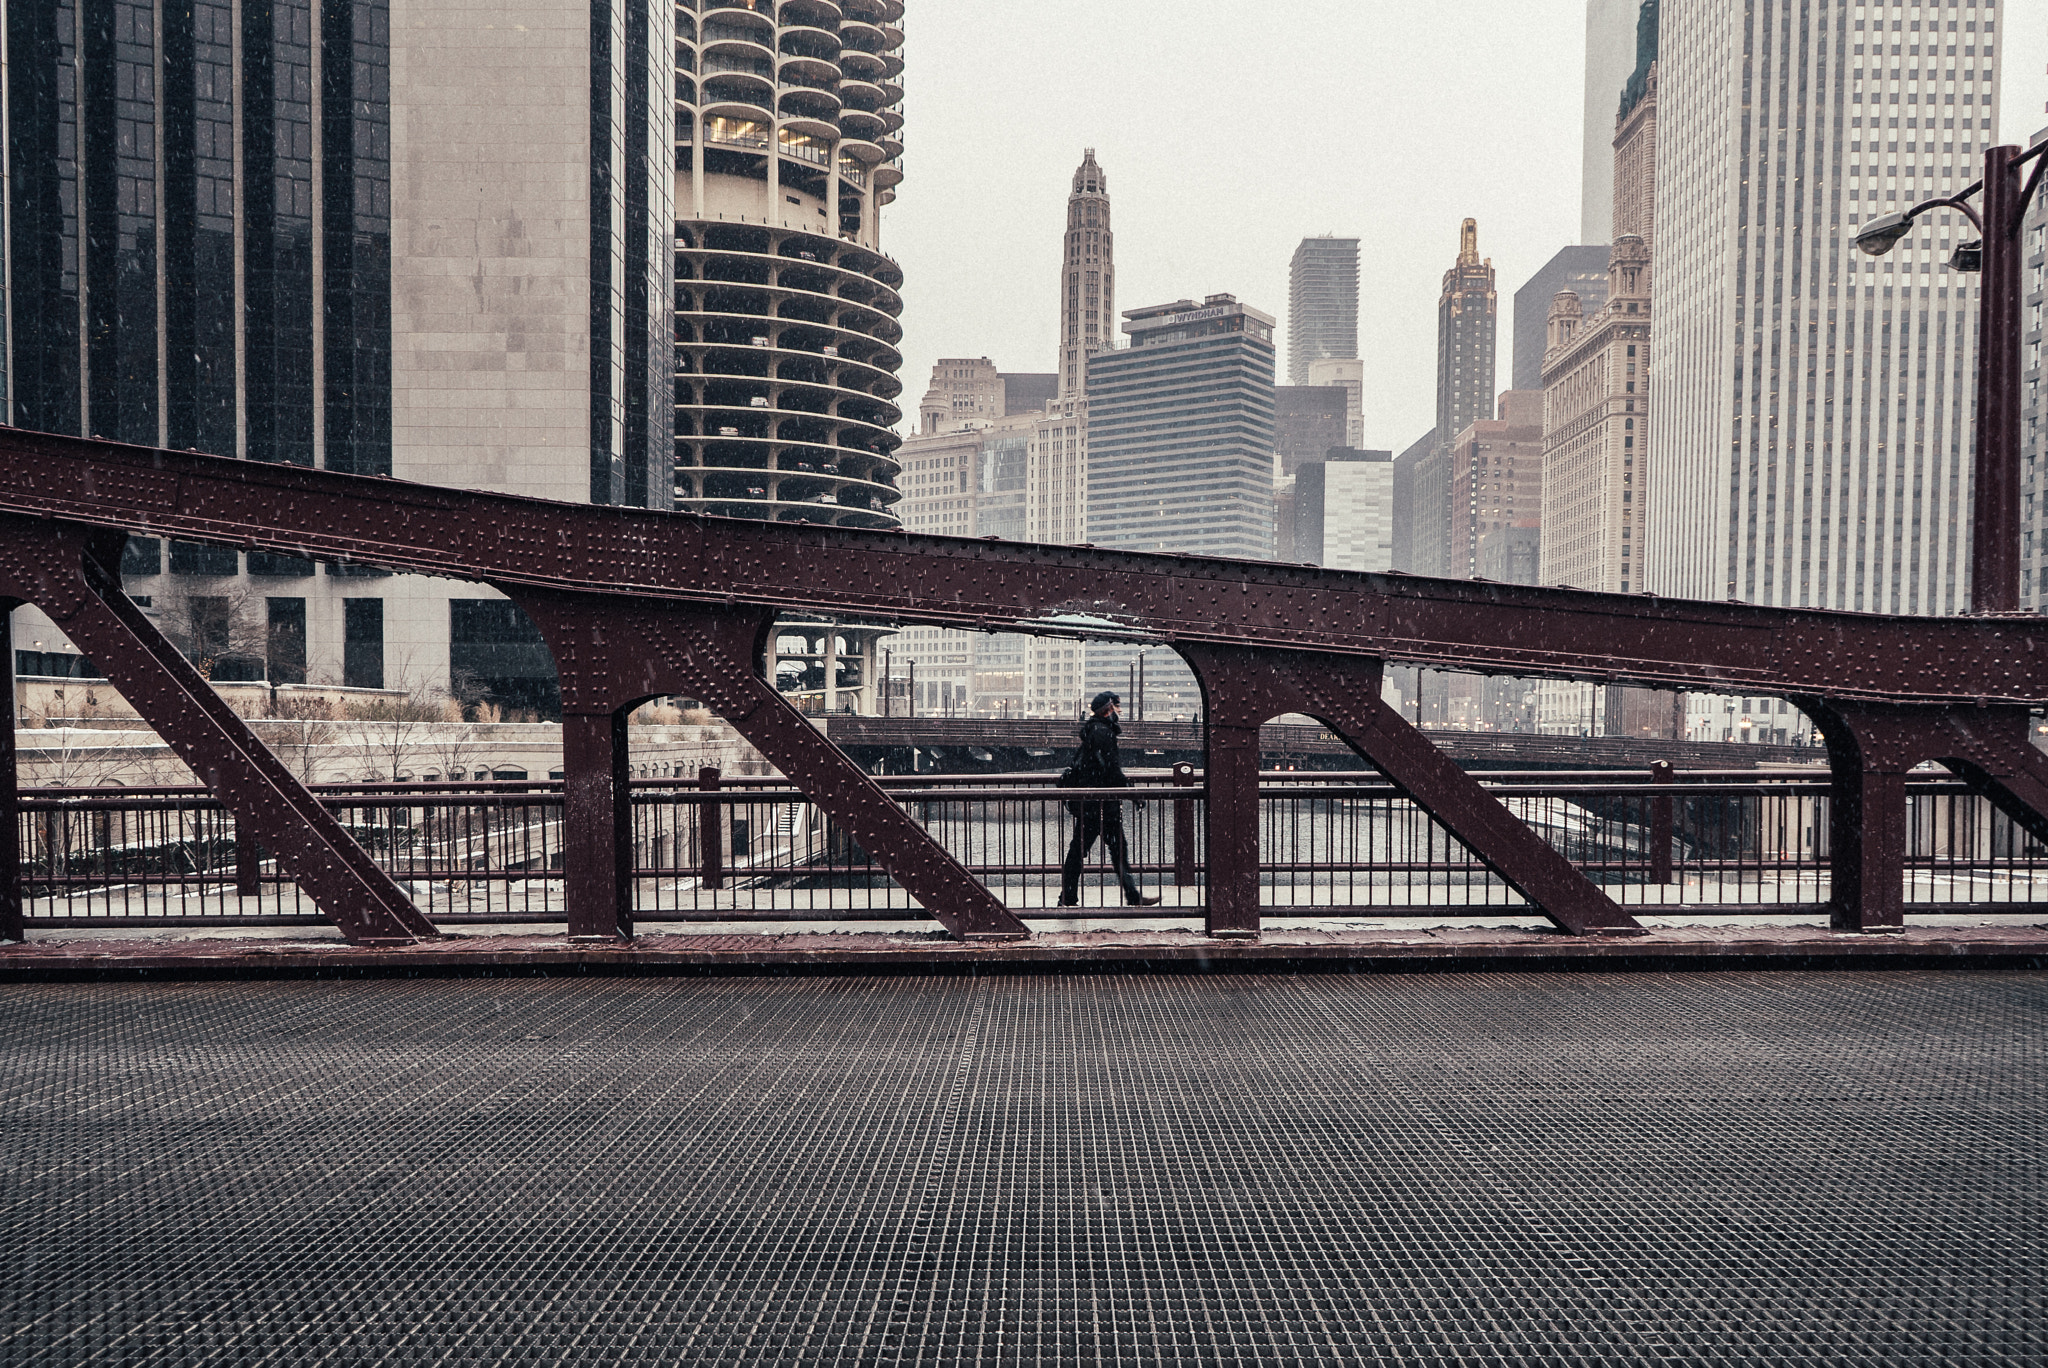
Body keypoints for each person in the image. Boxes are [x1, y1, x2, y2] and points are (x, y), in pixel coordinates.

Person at [1058, 691, 1161, 907]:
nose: (1119, 712)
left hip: (1093, 802)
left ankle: (1069, 897)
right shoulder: (1102, 732)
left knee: (1083, 850)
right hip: (1102, 803)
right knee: (1111, 850)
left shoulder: (1095, 730)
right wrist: (1132, 794)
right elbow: (1111, 768)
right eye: (1117, 707)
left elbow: (1103, 767)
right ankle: (1130, 896)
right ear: (1108, 709)